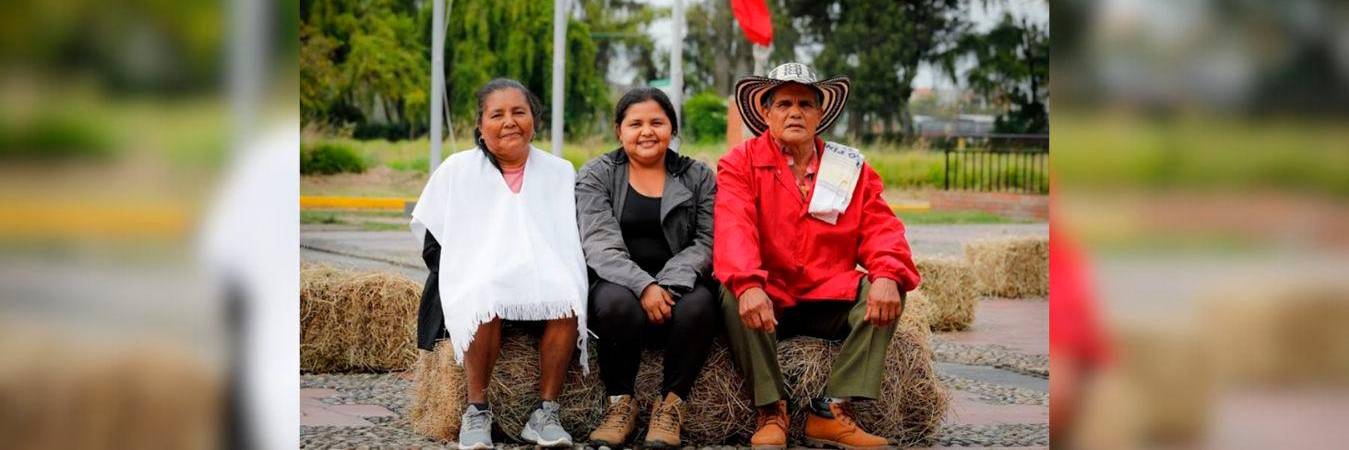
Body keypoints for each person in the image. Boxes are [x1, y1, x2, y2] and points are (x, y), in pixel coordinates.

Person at [714, 63, 921, 450]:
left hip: (828, 294)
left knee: (887, 288)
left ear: (820, 113)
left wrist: (887, 273)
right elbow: (733, 229)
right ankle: (772, 410)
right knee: (731, 291)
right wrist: (747, 284)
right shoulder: (739, 163)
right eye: (785, 103)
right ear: (765, 112)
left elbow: (880, 226)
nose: (796, 112)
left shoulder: (848, 167)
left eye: (806, 104)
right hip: (770, 297)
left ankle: (831, 410)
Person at [410, 78, 588, 449]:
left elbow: (568, 237)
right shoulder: (457, 170)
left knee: (568, 295)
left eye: (518, 112)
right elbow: (433, 243)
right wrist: (476, 264)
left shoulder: (559, 172)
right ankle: (477, 411)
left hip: (541, 279)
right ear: (480, 125)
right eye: (497, 114)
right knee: (485, 292)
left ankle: (546, 413)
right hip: (482, 277)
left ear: (534, 121)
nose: (509, 121)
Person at [576, 87, 719, 448]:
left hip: (681, 285)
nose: (647, 131)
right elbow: (599, 244)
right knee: (615, 304)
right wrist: (644, 286)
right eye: (635, 123)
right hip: (618, 283)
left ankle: (671, 406)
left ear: (671, 127)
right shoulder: (597, 174)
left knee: (702, 304)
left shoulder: (698, 176)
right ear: (618, 130)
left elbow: (707, 240)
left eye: (657, 122)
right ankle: (620, 403)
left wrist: (667, 285)